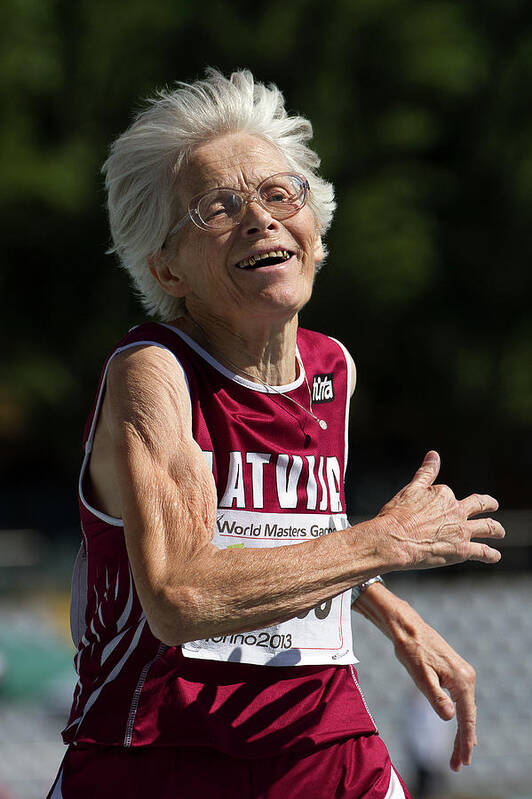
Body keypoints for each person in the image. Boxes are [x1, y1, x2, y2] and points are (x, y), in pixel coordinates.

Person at [47, 69, 504, 799]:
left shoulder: (333, 369)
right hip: (166, 751)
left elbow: (276, 529)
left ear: (314, 229)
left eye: (278, 194)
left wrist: (385, 604)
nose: (259, 218)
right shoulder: (154, 373)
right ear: (168, 267)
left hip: (324, 737)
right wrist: (383, 542)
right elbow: (179, 594)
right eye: (217, 208)